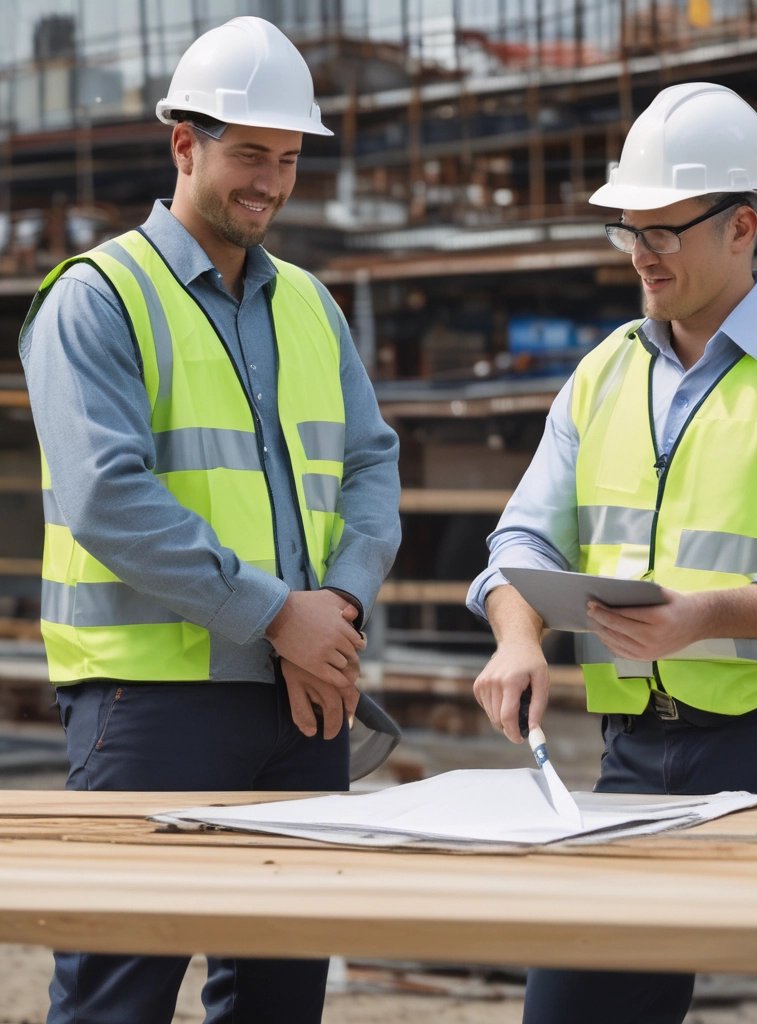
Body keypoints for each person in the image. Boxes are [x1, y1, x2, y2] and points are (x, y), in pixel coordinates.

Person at [467, 82, 757, 1024]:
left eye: (663, 231)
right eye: (628, 230)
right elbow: (521, 538)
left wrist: (702, 616)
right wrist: (517, 636)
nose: (641, 255)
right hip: (636, 758)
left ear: (741, 225)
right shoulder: (600, 375)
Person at [19, 17, 401, 1024]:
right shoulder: (98, 300)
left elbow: (369, 463)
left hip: (301, 702)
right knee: (116, 997)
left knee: (278, 1000)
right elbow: (108, 495)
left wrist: (340, 607)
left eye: (286, 160)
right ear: (183, 144)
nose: (270, 183)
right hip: (148, 706)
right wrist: (282, 613)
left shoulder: (311, 306)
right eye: (248, 156)